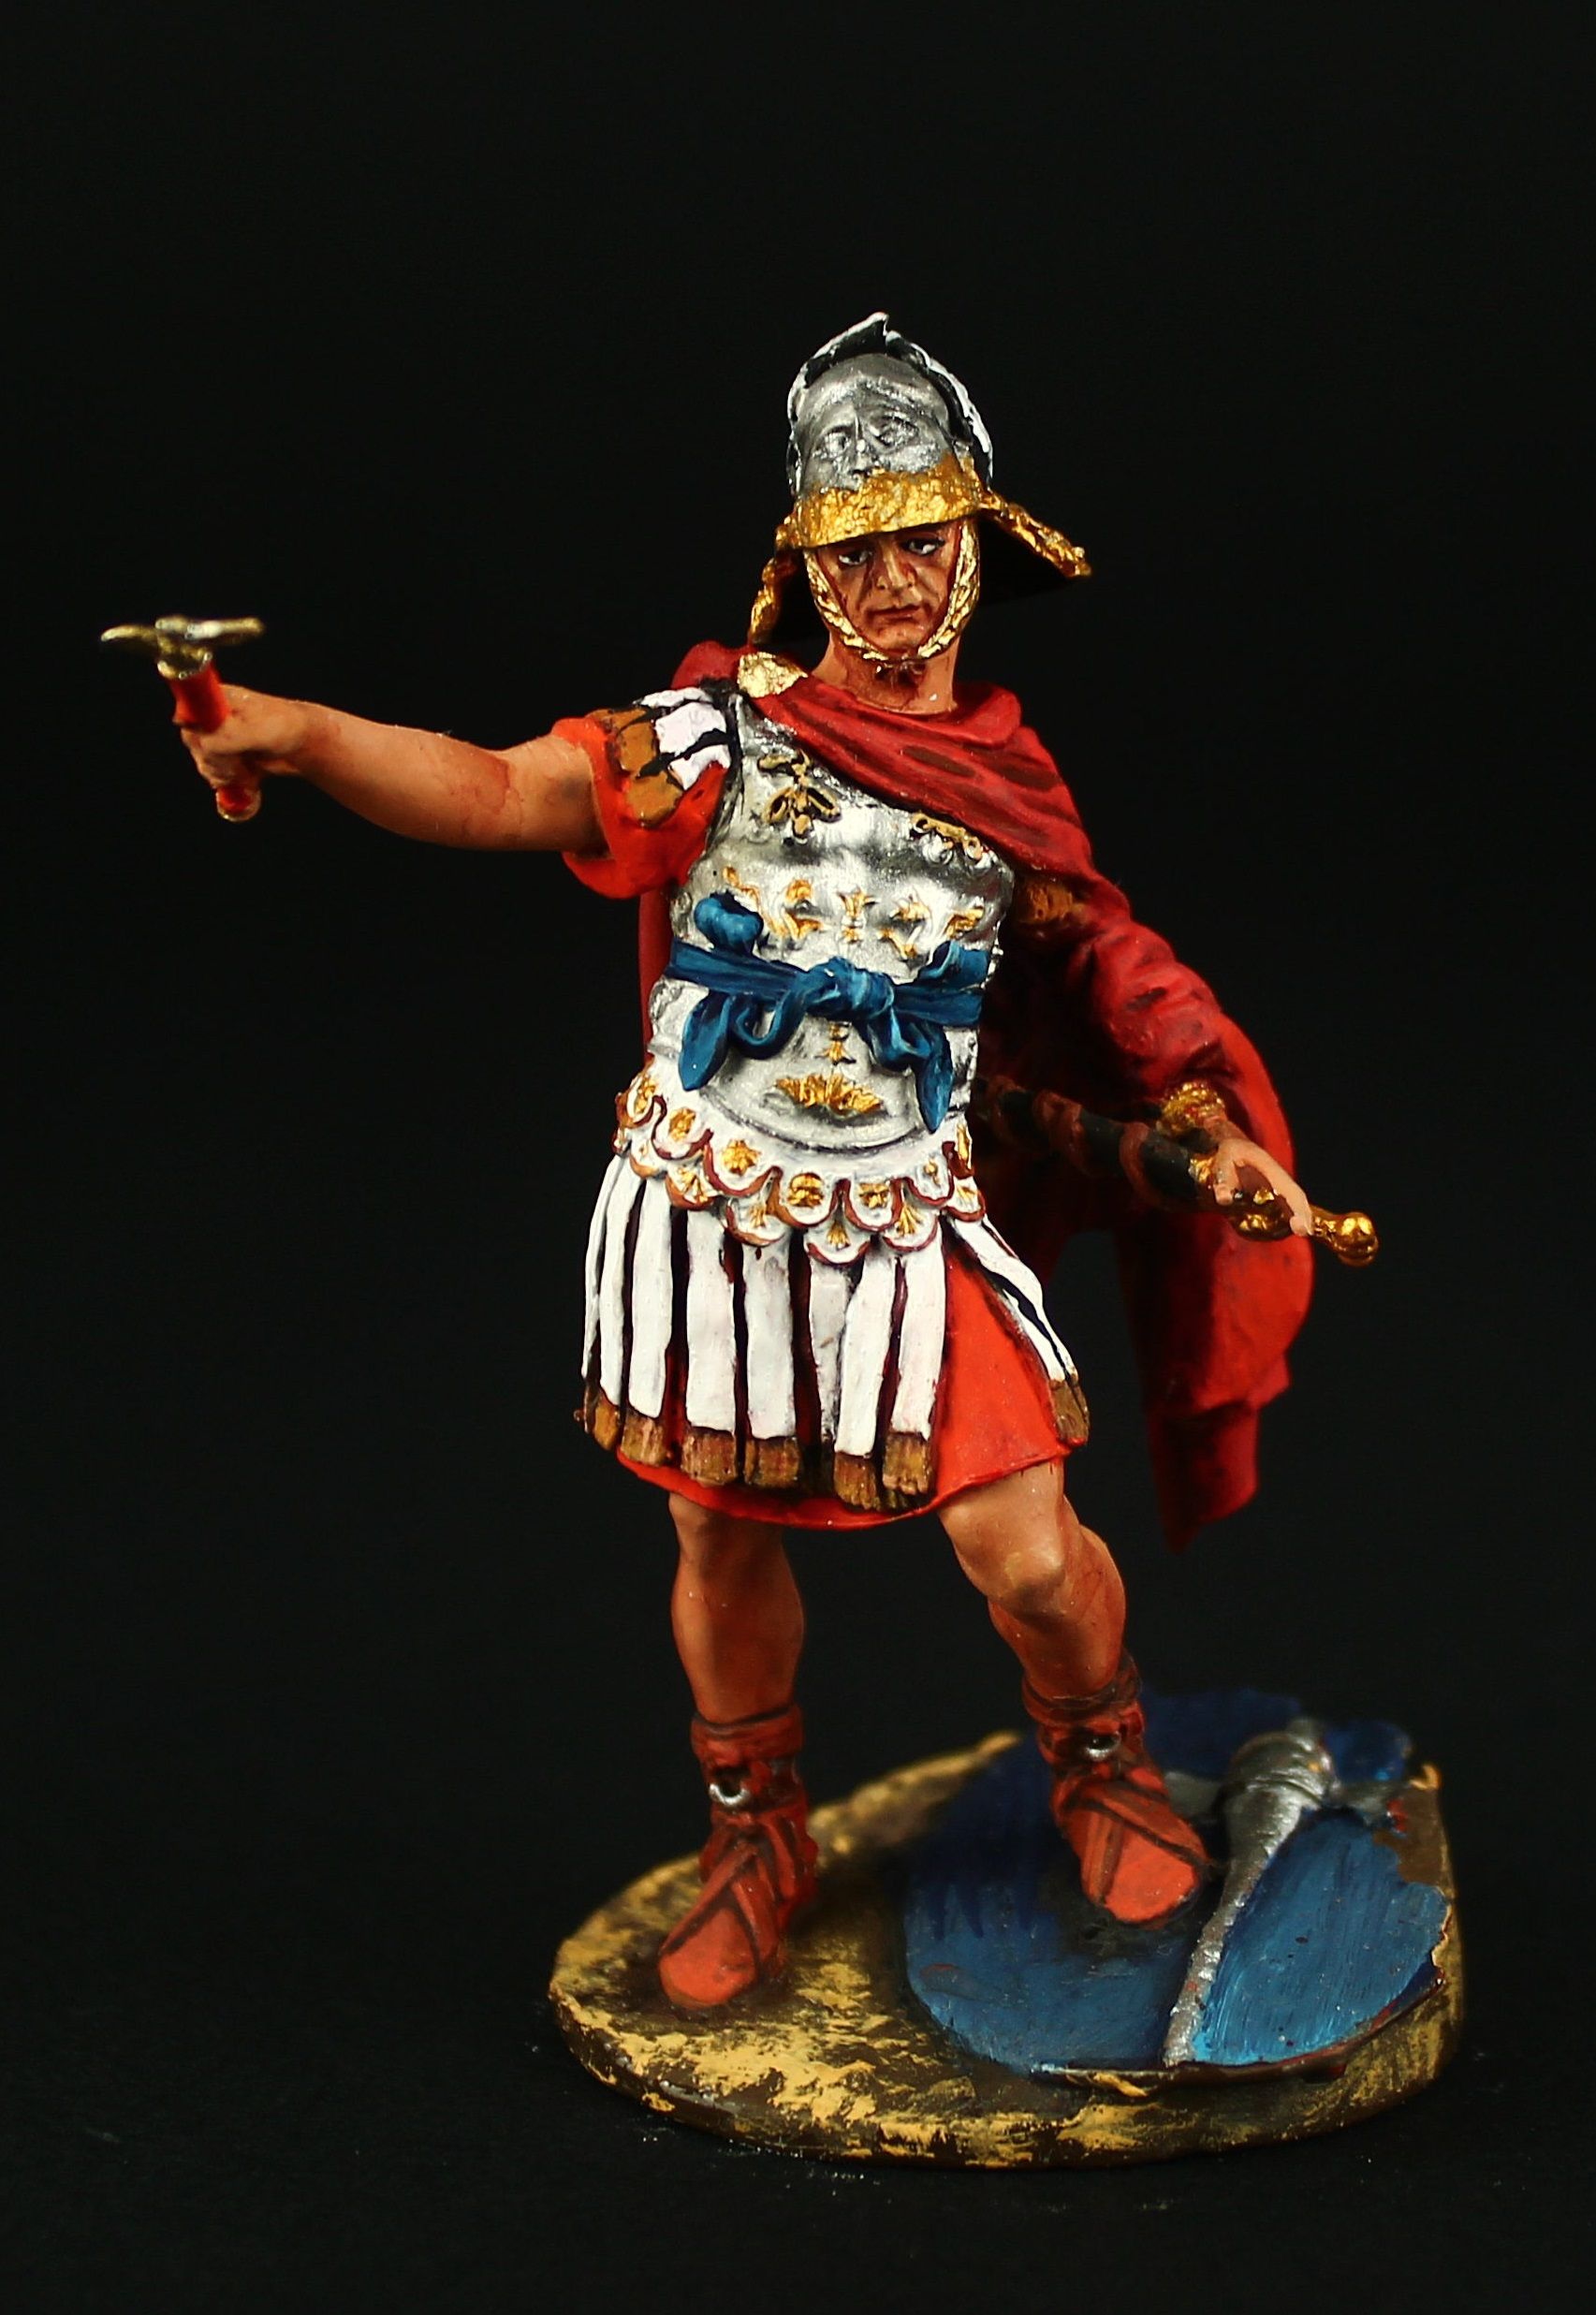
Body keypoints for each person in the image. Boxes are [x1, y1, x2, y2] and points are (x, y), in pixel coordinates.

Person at [178, 315, 1314, 2015]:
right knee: (714, 1542)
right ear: (806, 566)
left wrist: (1202, 1099)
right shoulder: (711, 735)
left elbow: (1104, 964)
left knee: (1020, 1544)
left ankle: (1103, 1761)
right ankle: (753, 1829)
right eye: (854, 550)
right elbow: (497, 790)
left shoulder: (1002, 785)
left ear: (975, 545)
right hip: (711, 1200)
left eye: (917, 540)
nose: (891, 581)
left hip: (905, 1209)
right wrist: (305, 735)